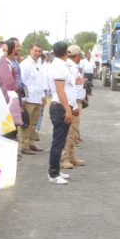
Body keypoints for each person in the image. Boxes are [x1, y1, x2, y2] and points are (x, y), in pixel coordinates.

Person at [47, 41, 77, 185]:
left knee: (60, 141)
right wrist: (67, 109)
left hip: (61, 106)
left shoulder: (59, 65)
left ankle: (56, 171)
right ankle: (53, 174)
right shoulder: (59, 67)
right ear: (66, 52)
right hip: (60, 107)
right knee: (58, 143)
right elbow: (60, 90)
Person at [60, 45, 87, 169]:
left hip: (76, 102)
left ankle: (71, 156)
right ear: (77, 56)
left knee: (74, 132)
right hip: (73, 103)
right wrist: (74, 105)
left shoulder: (72, 66)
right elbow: (69, 88)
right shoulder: (70, 67)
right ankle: (64, 158)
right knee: (70, 132)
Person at [19, 43, 46, 154]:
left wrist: (43, 95)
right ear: (30, 50)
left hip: (38, 98)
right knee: (26, 124)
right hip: (28, 99)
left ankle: (31, 143)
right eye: (36, 51)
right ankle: (24, 146)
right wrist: (23, 99)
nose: (38, 53)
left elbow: (41, 81)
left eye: (39, 51)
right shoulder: (25, 64)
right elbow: (21, 83)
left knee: (34, 123)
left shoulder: (39, 63)